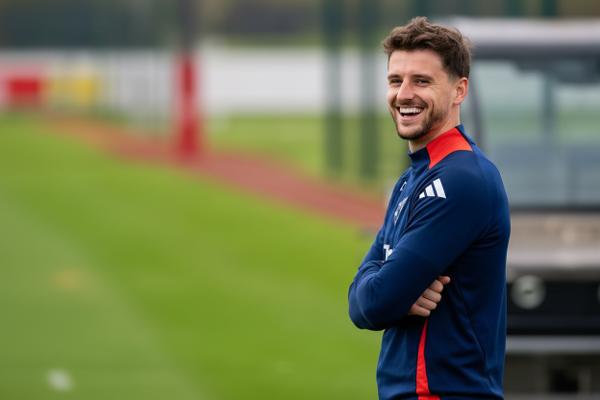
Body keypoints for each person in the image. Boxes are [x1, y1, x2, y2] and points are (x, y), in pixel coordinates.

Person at [348, 17, 510, 400]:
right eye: (395, 81)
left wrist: (389, 291)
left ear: (459, 90)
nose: (404, 94)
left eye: (421, 81)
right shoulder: (411, 179)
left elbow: (378, 301)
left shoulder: (461, 179)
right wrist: (391, 290)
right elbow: (360, 300)